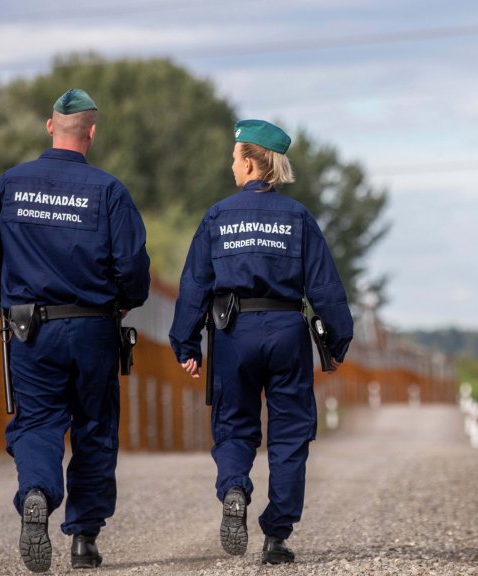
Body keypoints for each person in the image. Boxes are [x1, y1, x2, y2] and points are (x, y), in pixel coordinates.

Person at [0, 89, 151, 572]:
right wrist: (122, 302)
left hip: (30, 328)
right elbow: (132, 268)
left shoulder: (11, 184)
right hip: (94, 329)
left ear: (49, 126)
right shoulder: (110, 191)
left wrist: (8, 309)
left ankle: (36, 493)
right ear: (92, 133)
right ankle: (84, 540)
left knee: (37, 422)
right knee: (94, 428)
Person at [169, 119, 353, 565]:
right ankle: (276, 536)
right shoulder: (299, 217)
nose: (232, 166)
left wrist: (185, 344)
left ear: (251, 162)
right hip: (288, 331)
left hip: (234, 333)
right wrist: (339, 339)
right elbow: (325, 286)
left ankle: (234, 486)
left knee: (234, 424)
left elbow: (194, 285)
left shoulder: (217, 215)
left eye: (235, 158)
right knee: (289, 433)